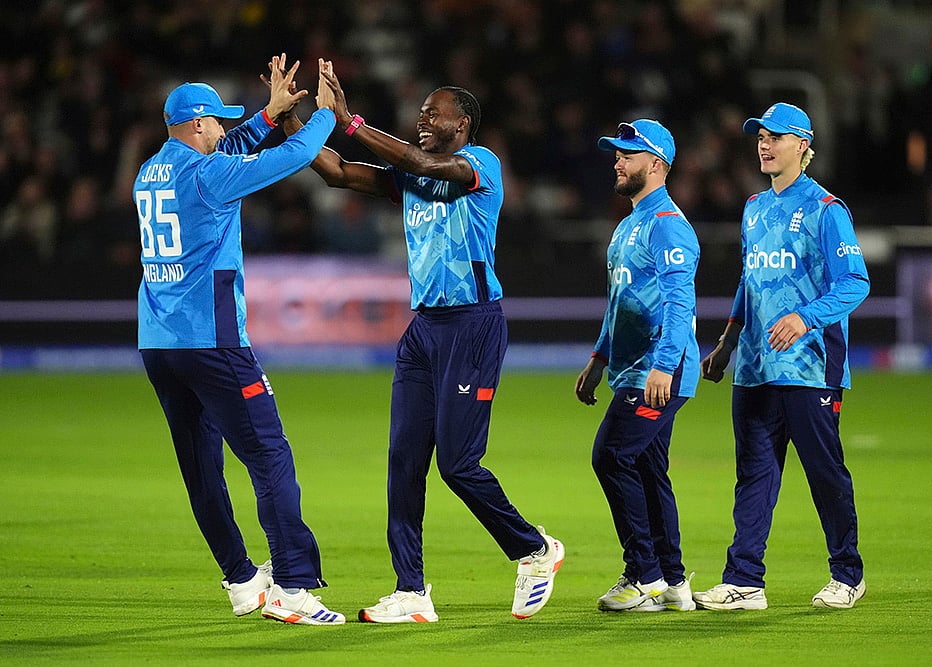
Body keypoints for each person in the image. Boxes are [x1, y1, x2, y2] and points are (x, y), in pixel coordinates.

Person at [281, 67, 564, 623]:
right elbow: (337, 173)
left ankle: (534, 549)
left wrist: (349, 120)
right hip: (424, 330)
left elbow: (423, 163)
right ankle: (411, 591)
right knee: (404, 461)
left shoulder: (480, 165)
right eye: (421, 114)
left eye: (434, 113)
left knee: (459, 465)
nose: (423, 120)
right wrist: (291, 117)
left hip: (473, 326)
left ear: (464, 124)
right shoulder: (412, 176)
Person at [135, 56, 345, 625]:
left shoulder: (150, 172)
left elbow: (227, 155)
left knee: (201, 465)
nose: (226, 130)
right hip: (215, 341)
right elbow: (294, 158)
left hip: (159, 342)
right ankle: (295, 588)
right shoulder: (208, 176)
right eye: (219, 122)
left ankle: (242, 580)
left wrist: (268, 114)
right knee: (268, 453)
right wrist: (321, 116)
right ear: (198, 124)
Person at [694, 102, 870, 610]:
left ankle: (847, 574)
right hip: (754, 365)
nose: (764, 145)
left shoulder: (827, 209)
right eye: (759, 138)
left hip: (810, 365)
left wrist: (805, 318)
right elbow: (750, 284)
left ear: (803, 146)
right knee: (753, 473)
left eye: (775, 137)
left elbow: (856, 282)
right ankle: (745, 580)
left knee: (823, 471)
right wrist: (727, 343)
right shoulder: (753, 207)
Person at [575, 119, 699, 613]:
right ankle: (672, 581)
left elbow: (678, 303)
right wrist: (599, 358)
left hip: (658, 371)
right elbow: (618, 301)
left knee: (610, 456)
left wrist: (664, 367)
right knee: (649, 469)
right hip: (632, 369)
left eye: (629, 153)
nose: (618, 160)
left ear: (658, 164)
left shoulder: (668, 223)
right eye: (618, 152)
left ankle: (642, 574)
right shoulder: (630, 225)